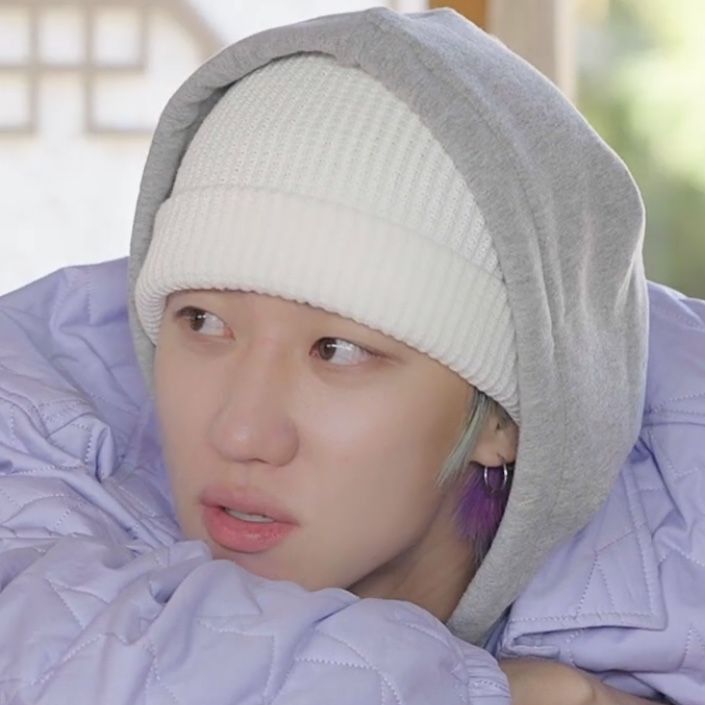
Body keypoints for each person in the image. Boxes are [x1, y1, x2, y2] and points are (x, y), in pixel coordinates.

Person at [0, 7, 703, 704]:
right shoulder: (43, 449)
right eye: (203, 321)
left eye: (336, 351)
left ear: (505, 415)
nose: (240, 433)